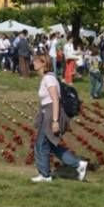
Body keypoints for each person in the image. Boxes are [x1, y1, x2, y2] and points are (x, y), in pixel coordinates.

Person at [31, 54, 88, 183]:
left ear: (43, 63)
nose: (33, 63)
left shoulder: (49, 79)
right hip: (48, 112)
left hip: (52, 113)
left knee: (41, 144)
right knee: (50, 146)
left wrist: (55, 121)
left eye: (35, 61)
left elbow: (55, 99)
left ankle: (45, 175)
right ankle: (78, 164)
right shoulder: (46, 78)